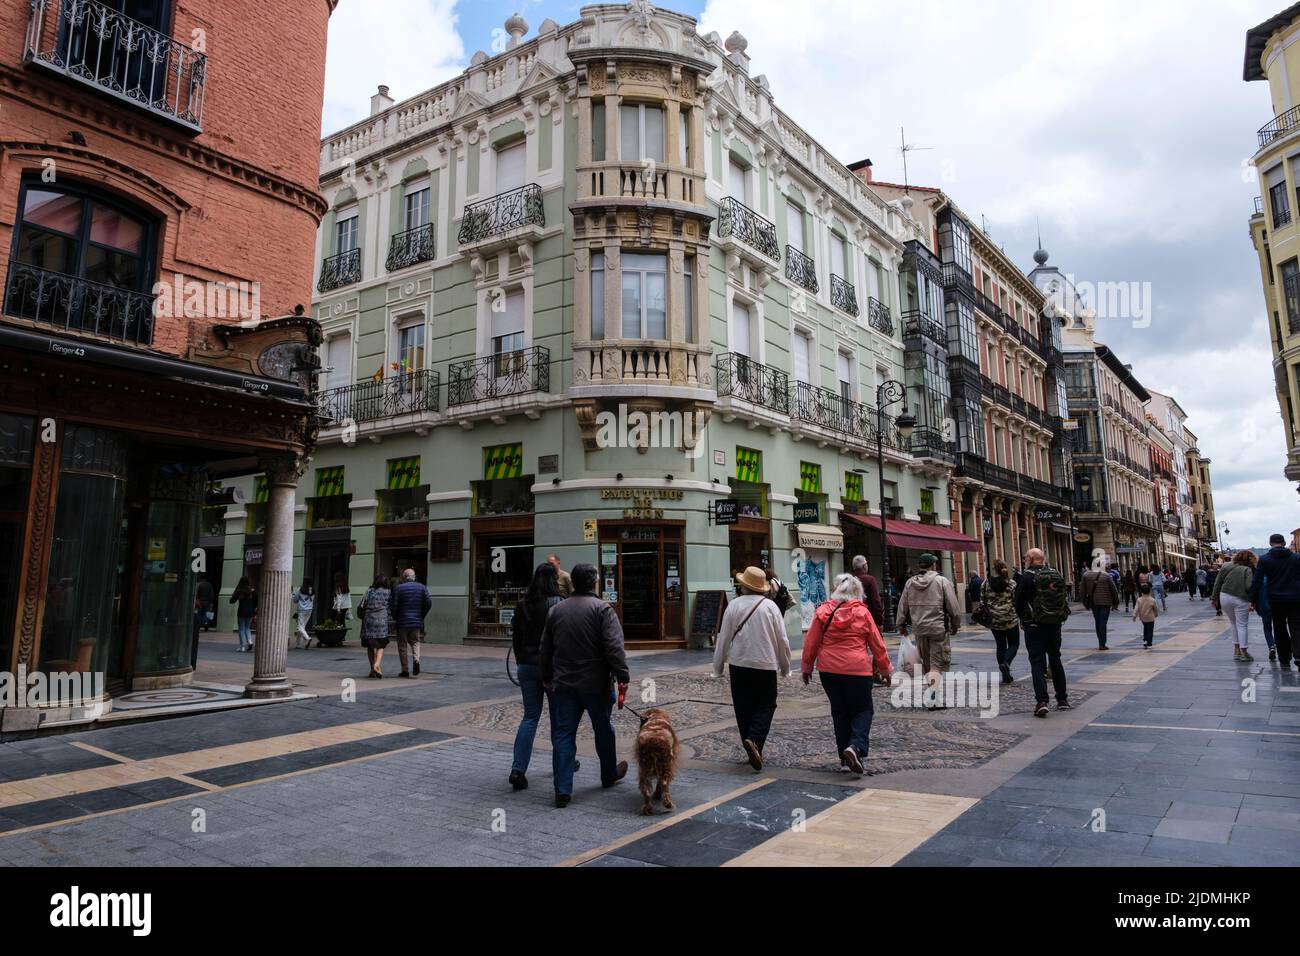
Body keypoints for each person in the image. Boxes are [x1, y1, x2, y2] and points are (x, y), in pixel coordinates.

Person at [541, 563, 630, 807]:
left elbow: (546, 648)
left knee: (563, 734)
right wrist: (623, 675)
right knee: (603, 728)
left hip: (564, 684)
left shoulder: (557, 611)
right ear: (594, 583)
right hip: (595, 683)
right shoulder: (602, 609)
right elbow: (614, 647)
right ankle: (608, 774)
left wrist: (547, 674)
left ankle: (562, 788)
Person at [802, 573, 892, 776]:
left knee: (840, 712)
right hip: (857, 670)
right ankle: (855, 746)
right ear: (858, 593)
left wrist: (807, 667)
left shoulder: (823, 610)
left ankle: (844, 760)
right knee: (863, 710)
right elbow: (877, 644)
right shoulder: (862, 613)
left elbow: (811, 642)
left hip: (829, 670)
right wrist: (885, 669)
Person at [712, 566, 792, 772]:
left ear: (744, 585)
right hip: (765, 664)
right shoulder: (771, 607)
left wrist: (718, 666)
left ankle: (752, 744)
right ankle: (754, 741)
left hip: (739, 664)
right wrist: (785, 667)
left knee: (743, 707)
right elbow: (782, 640)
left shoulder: (734, 606)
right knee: (766, 704)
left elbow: (724, 638)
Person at [509, 563, 565, 790]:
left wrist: (521, 660)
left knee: (530, 717)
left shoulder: (523, 604)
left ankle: (518, 769)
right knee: (558, 720)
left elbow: (516, 638)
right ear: (553, 580)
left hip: (527, 666)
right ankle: (563, 765)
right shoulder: (559, 603)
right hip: (550, 668)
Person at [895, 553, 961, 709]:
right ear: (933, 566)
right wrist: (955, 624)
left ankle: (932, 695)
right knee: (936, 666)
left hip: (919, 629)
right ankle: (933, 700)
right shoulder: (941, 581)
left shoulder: (910, 583)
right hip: (938, 628)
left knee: (927, 664)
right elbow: (953, 607)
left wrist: (901, 625)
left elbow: (902, 606)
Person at [1014, 548, 1072, 718]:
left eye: (1026, 557)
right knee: (1055, 660)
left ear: (1031, 559)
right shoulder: (1055, 573)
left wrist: (1023, 620)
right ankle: (1062, 699)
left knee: (1037, 662)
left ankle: (1042, 702)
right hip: (1055, 624)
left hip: (1034, 625)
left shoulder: (1026, 577)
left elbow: (1018, 602)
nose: (1025, 560)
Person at [1249, 534, 1300, 670]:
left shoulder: (1265, 560)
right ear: (1283, 543)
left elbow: (1257, 581)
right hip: (1296, 598)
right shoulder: (1296, 558)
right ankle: (1299, 656)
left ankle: (1284, 658)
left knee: (1279, 628)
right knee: (1296, 627)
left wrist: (1252, 600)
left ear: (1270, 543)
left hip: (1276, 599)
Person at [1215, 550, 1257, 662]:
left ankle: (1236, 650)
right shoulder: (1247, 569)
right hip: (1239, 598)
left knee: (1233, 623)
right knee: (1242, 625)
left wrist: (1214, 598)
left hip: (1224, 596)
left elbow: (1217, 582)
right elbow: (1249, 586)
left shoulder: (1226, 566)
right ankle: (1244, 653)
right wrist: (1253, 600)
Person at [984, 559, 1020, 684]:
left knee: (1000, 645)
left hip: (994, 620)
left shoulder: (985, 583)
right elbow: (1016, 600)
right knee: (1014, 644)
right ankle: (1006, 663)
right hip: (1010, 619)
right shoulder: (1011, 583)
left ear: (994, 569)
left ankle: (1005, 674)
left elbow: (982, 601)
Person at [391, 568, 431, 677]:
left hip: (402, 621)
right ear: (414, 577)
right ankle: (416, 660)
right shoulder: (422, 587)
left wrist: (395, 616)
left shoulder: (398, 588)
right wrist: (422, 615)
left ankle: (405, 670)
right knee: (415, 642)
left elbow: (394, 605)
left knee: (402, 645)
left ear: (404, 577)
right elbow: (428, 602)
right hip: (416, 621)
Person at [1080, 560, 1121, 651]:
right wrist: (1116, 603)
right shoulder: (1106, 576)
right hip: (1105, 602)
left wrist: (1085, 603)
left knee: (1098, 621)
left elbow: (1082, 591)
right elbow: (1113, 590)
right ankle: (1102, 643)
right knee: (1103, 622)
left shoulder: (1086, 575)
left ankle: (1101, 641)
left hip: (1094, 603)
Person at [358, 574, 392, 678]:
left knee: (370, 646)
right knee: (381, 645)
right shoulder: (388, 592)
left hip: (369, 621)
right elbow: (391, 607)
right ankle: (377, 664)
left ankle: (373, 670)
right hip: (382, 620)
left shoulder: (369, 591)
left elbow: (361, 604)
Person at [850, 555, 885, 627]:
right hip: (867, 619)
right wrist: (879, 621)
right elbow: (876, 601)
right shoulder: (870, 579)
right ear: (864, 566)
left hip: (851, 619)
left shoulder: (848, 580)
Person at [229, 576, 256, 652]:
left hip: (241, 611)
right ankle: (250, 641)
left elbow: (232, 600)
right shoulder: (251, 591)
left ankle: (242, 646)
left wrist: (232, 598)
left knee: (241, 629)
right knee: (247, 628)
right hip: (250, 612)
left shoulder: (239, 590)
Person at [1132, 584, 1159, 648]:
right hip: (1150, 617)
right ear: (1149, 591)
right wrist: (1156, 614)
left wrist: (1134, 615)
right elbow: (1155, 608)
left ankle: (1145, 640)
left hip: (1143, 617)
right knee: (1150, 630)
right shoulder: (1152, 600)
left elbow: (1136, 608)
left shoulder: (1139, 600)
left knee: (1145, 628)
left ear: (1141, 592)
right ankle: (1149, 641)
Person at [291, 579, 314, 649]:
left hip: (302, 610)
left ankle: (307, 638)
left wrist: (294, 595)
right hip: (309, 610)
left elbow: (295, 600)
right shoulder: (313, 590)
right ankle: (298, 644)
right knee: (302, 627)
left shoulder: (301, 590)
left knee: (300, 627)